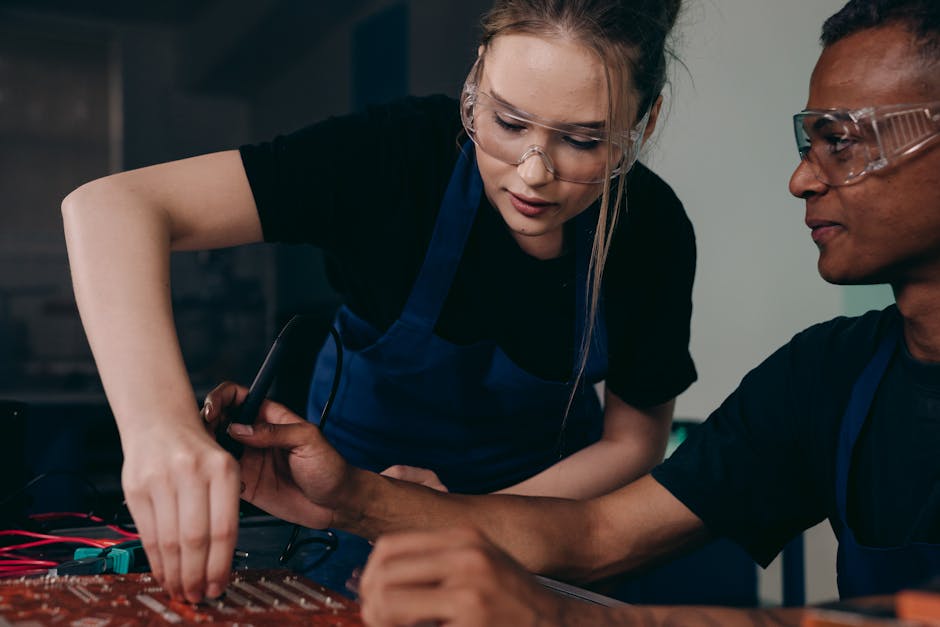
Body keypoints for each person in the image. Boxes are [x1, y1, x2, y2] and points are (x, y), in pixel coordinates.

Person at [207, 0, 940, 623]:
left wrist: (559, 612)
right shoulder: (826, 377)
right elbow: (595, 531)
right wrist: (352, 496)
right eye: (809, 140)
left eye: (842, 141)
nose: (801, 177)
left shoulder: (649, 233)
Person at [62, 0, 695, 604]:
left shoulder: (653, 232)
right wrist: (160, 428)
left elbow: (634, 442)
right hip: (347, 528)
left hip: (543, 540)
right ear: (477, 75)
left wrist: (455, 522)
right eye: (507, 121)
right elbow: (110, 207)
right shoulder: (397, 157)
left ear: (648, 120)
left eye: (583, 141)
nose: (533, 171)